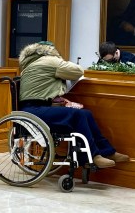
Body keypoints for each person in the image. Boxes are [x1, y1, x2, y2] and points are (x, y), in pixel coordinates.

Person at [18, 41, 128, 169]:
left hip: (34, 108)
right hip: (35, 110)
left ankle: (107, 151)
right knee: (77, 115)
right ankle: (92, 157)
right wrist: (60, 60)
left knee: (86, 114)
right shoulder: (49, 61)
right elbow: (77, 71)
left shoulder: (32, 63)